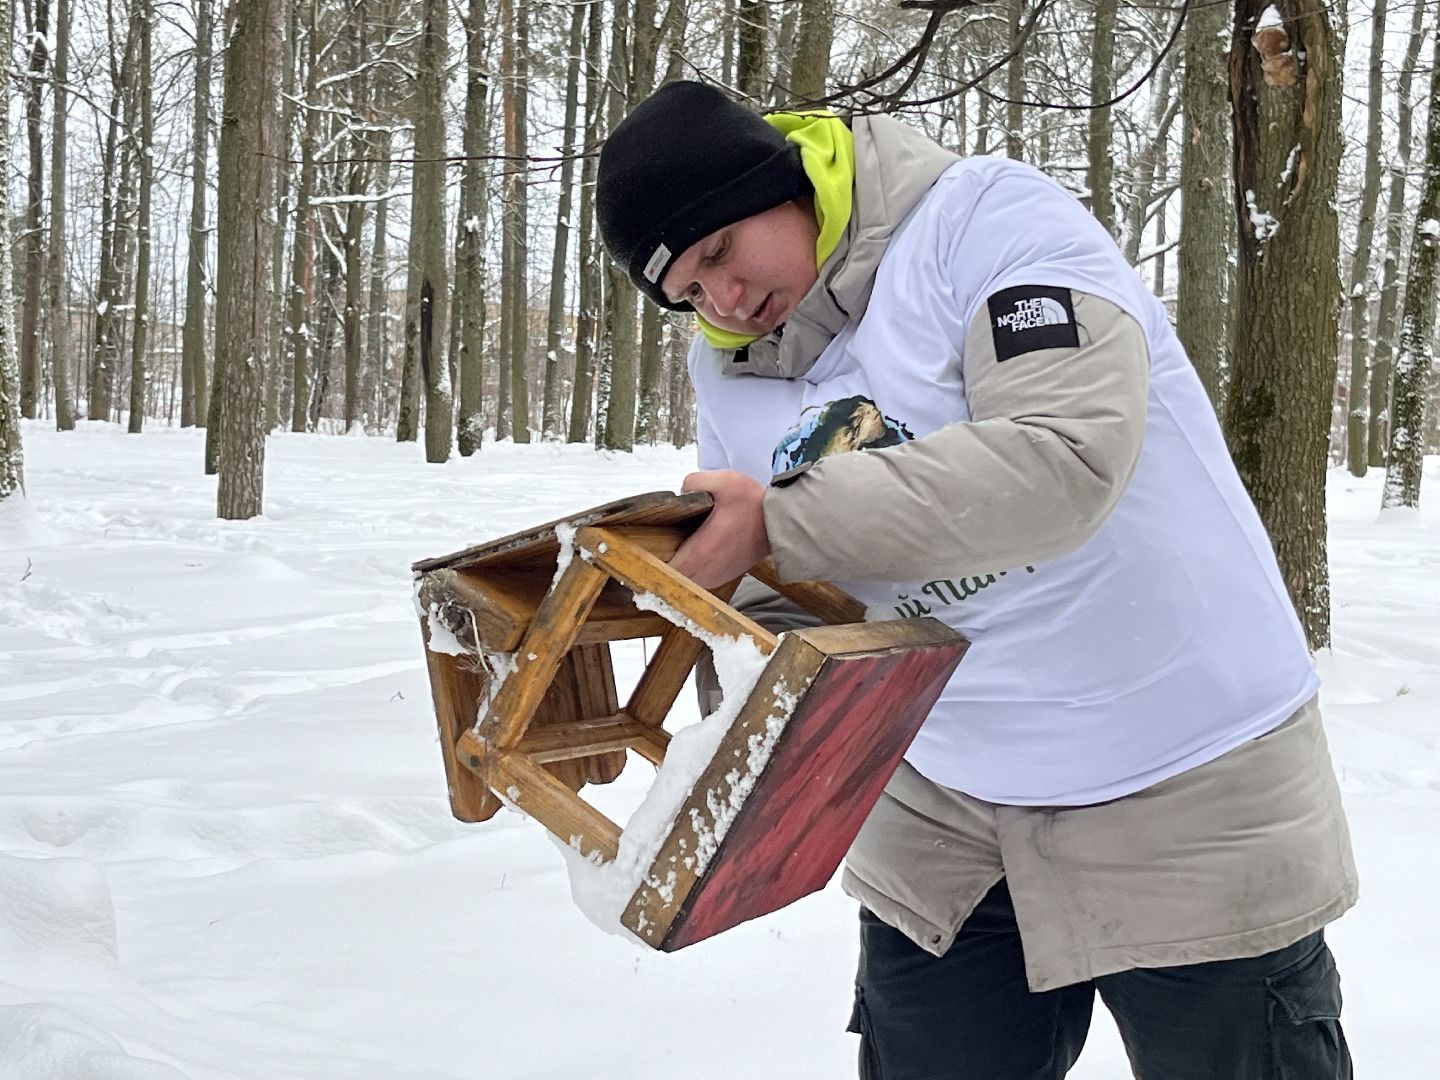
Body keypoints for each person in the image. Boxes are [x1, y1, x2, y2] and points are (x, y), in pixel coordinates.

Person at [596, 80, 1357, 1079]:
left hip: (1183, 785)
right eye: (689, 294)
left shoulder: (985, 222)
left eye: (722, 254)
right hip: (945, 815)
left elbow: (1063, 463)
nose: (723, 303)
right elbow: (787, 586)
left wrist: (779, 518)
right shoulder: (732, 365)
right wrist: (722, 649)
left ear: (786, 183)